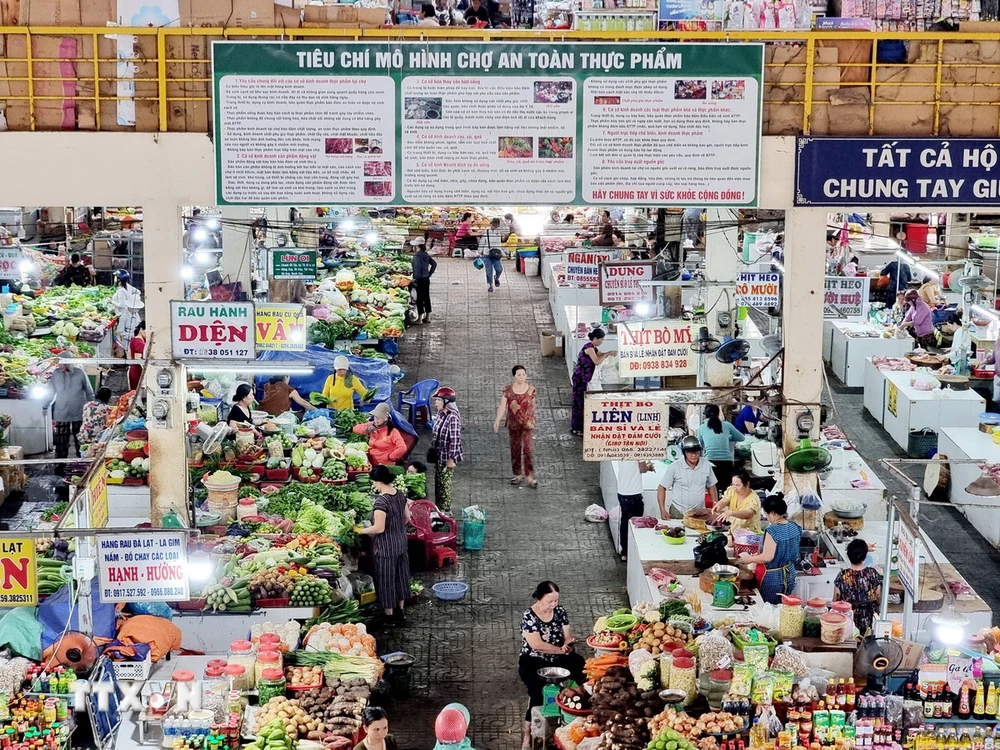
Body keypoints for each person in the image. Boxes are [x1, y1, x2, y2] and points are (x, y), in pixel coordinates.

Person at [518, 582, 585, 749]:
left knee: (581, 666)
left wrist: (569, 643)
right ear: (539, 598)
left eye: (556, 600)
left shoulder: (560, 612)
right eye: (550, 601)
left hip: (559, 657)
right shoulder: (529, 616)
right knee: (537, 691)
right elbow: (536, 645)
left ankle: (579, 708)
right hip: (533, 660)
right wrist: (560, 651)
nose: (554, 604)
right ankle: (528, 734)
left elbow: (567, 635)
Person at [358, 465, 411, 625]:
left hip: (386, 548)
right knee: (401, 578)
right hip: (401, 543)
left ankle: (389, 616)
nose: (374, 485)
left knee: (386, 580)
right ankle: (400, 613)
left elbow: (379, 528)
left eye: (374, 482)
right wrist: (397, 528)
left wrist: (361, 531)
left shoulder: (382, 501)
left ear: (379, 482)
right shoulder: (400, 495)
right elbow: (407, 517)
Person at [738, 494, 802, 604]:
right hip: (790, 573)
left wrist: (748, 559)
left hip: (773, 579)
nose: (767, 517)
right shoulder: (794, 526)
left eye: (766, 514)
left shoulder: (772, 530)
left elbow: (767, 557)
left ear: (772, 513)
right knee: (784, 606)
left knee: (769, 608)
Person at [493, 365, 537, 488]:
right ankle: (517, 474)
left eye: (523, 374)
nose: (522, 377)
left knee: (527, 450)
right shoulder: (508, 391)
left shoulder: (531, 390)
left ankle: (529, 476)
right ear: (514, 376)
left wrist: (532, 418)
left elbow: (533, 406)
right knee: (515, 449)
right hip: (513, 424)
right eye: (519, 375)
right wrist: (498, 419)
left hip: (527, 424)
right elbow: (502, 406)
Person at [50, 353, 94, 473]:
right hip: (61, 413)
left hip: (78, 412)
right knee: (61, 441)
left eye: (61, 362)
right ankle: (60, 464)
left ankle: (82, 462)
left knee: (80, 439)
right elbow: (51, 391)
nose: (59, 364)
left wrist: (92, 407)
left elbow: (89, 390)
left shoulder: (80, 373)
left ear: (68, 362)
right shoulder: (56, 374)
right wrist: (45, 405)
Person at [656, 436, 718, 519]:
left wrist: (715, 503)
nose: (693, 456)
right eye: (690, 453)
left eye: (696, 453)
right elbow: (661, 488)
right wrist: (662, 510)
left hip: (699, 511)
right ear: (684, 452)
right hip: (679, 511)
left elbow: (711, 486)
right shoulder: (674, 467)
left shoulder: (706, 465)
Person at [570, 329, 615, 435]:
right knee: (579, 402)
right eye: (601, 339)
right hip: (580, 378)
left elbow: (600, 355)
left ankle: (579, 427)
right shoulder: (589, 348)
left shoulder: (594, 348)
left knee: (582, 402)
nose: (601, 342)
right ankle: (577, 428)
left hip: (584, 378)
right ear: (595, 339)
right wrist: (607, 353)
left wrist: (609, 353)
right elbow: (597, 361)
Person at [834, 539, 882, 636]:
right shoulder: (872, 574)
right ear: (865, 557)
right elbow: (878, 597)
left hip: (847, 621)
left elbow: (836, 599)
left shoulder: (842, 576)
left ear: (848, 556)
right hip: (868, 620)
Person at [697, 404, 745, 491]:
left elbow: (700, 444)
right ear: (718, 413)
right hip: (726, 463)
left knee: (712, 490)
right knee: (726, 491)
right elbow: (741, 438)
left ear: (705, 414)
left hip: (710, 463)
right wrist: (728, 437)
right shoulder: (727, 425)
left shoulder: (702, 428)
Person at [430, 387, 462, 512]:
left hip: (447, 457)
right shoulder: (440, 414)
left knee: (445, 487)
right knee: (438, 484)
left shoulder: (452, 418)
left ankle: (446, 514)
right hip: (439, 455)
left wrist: (451, 460)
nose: (435, 402)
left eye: (438, 400)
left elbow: (455, 440)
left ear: (446, 401)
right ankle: (439, 512)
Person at [616, 461, 650, 561]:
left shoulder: (620, 448)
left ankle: (625, 552)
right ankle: (633, 553)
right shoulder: (638, 450)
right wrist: (649, 467)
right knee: (636, 524)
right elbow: (643, 469)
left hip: (622, 491)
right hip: (634, 493)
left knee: (625, 521)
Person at [712, 469, 762, 535]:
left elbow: (748, 514)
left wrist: (731, 513)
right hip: (733, 531)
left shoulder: (753, 499)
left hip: (750, 535)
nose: (735, 488)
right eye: (733, 484)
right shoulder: (732, 490)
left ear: (747, 484)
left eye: (738, 485)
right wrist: (718, 505)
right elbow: (725, 499)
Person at [111, 270, 144, 355]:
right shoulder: (124, 316)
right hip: (127, 343)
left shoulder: (137, 316)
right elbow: (120, 331)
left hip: (134, 341)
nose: (136, 310)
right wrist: (131, 336)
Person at [411, 237, 437, 325]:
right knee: (426, 297)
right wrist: (429, 274)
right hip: (426, 279)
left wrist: (415, 279)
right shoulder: (426, 254)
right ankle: (428, 317)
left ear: (417, 246)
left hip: (420, 280)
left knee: (419, 299)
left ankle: (420, 319)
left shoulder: (416, 256)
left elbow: (417, 269)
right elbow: (434, 264)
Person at [482, 218, 504, 292]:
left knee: (499, 269)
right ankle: (490, 285)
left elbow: (501, 241)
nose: (495, 226)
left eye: (496, 224)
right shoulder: (486, 231)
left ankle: (496, 278)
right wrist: (480, 252)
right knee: (489, 270)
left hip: (496, 253)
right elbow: (482, 242)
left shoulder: (499, 232)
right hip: (487, 253)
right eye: (494, 224)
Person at [127, 321, 146, 391]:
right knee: (136, 394)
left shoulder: (136, 339)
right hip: (137, 372)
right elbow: (138, 359)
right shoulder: (139, 341)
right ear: (141, 330)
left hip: (135, 370)